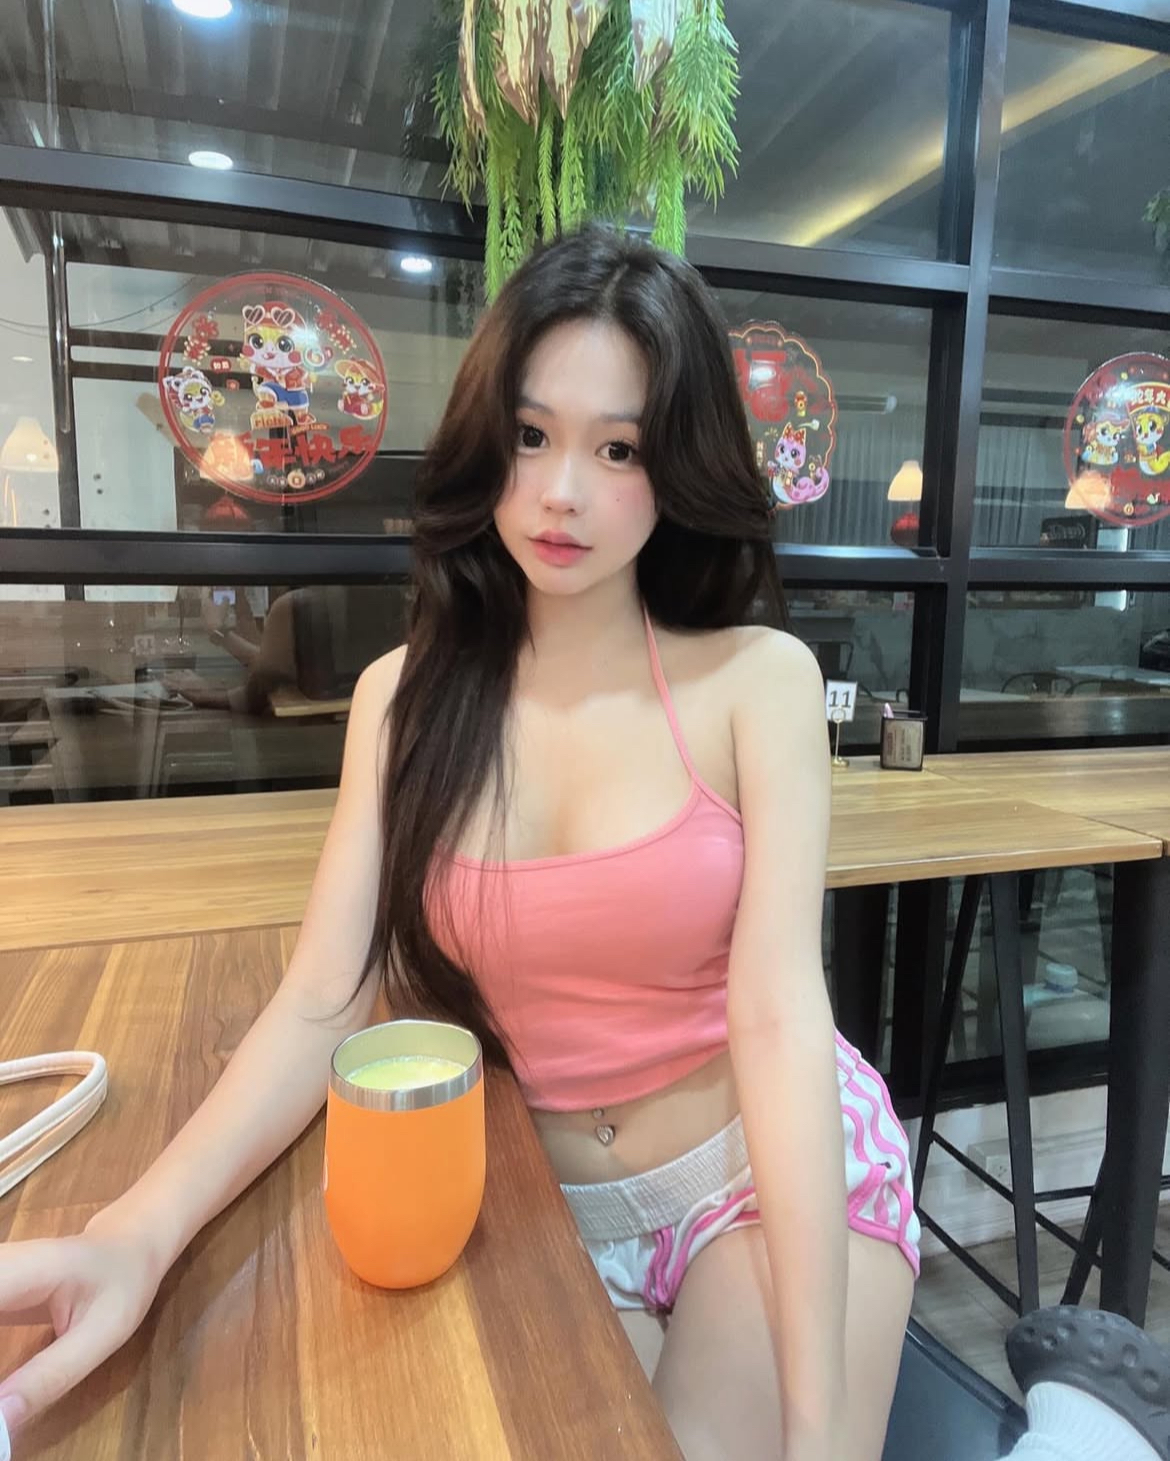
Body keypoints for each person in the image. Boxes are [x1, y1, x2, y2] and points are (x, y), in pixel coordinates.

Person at [0, 227, 1164, 1461]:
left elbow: (779, 1015)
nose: (562, 492)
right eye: (530, 434)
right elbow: (322, 1004)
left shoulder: (757, 681)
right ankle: (1084, 1434)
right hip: (529, 1195)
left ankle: (1085, 1431)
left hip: (751, 1177)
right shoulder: (404, 700)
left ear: (678, 469)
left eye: (620, 449)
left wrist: (822, 1426)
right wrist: (135, 1233)